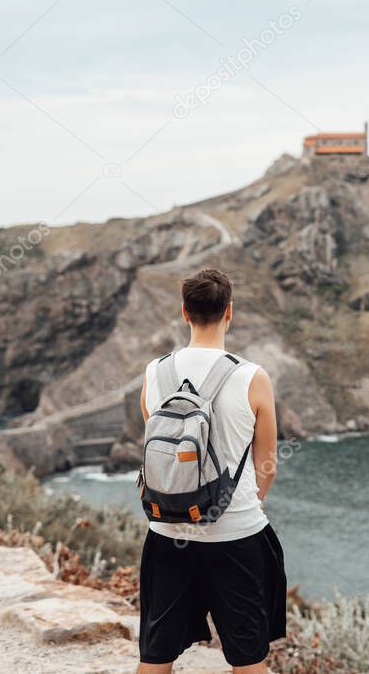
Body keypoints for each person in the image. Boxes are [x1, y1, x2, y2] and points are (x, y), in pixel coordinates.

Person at [137, 268, 286, 673]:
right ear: (229, 313)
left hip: (168, 534)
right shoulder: (252, 377)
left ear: (185, 313)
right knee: (248, 659)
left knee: (155, 655)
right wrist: (247, 502)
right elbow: (267, 461)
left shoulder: (156, 372)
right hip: (236, 536)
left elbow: (157, 445)